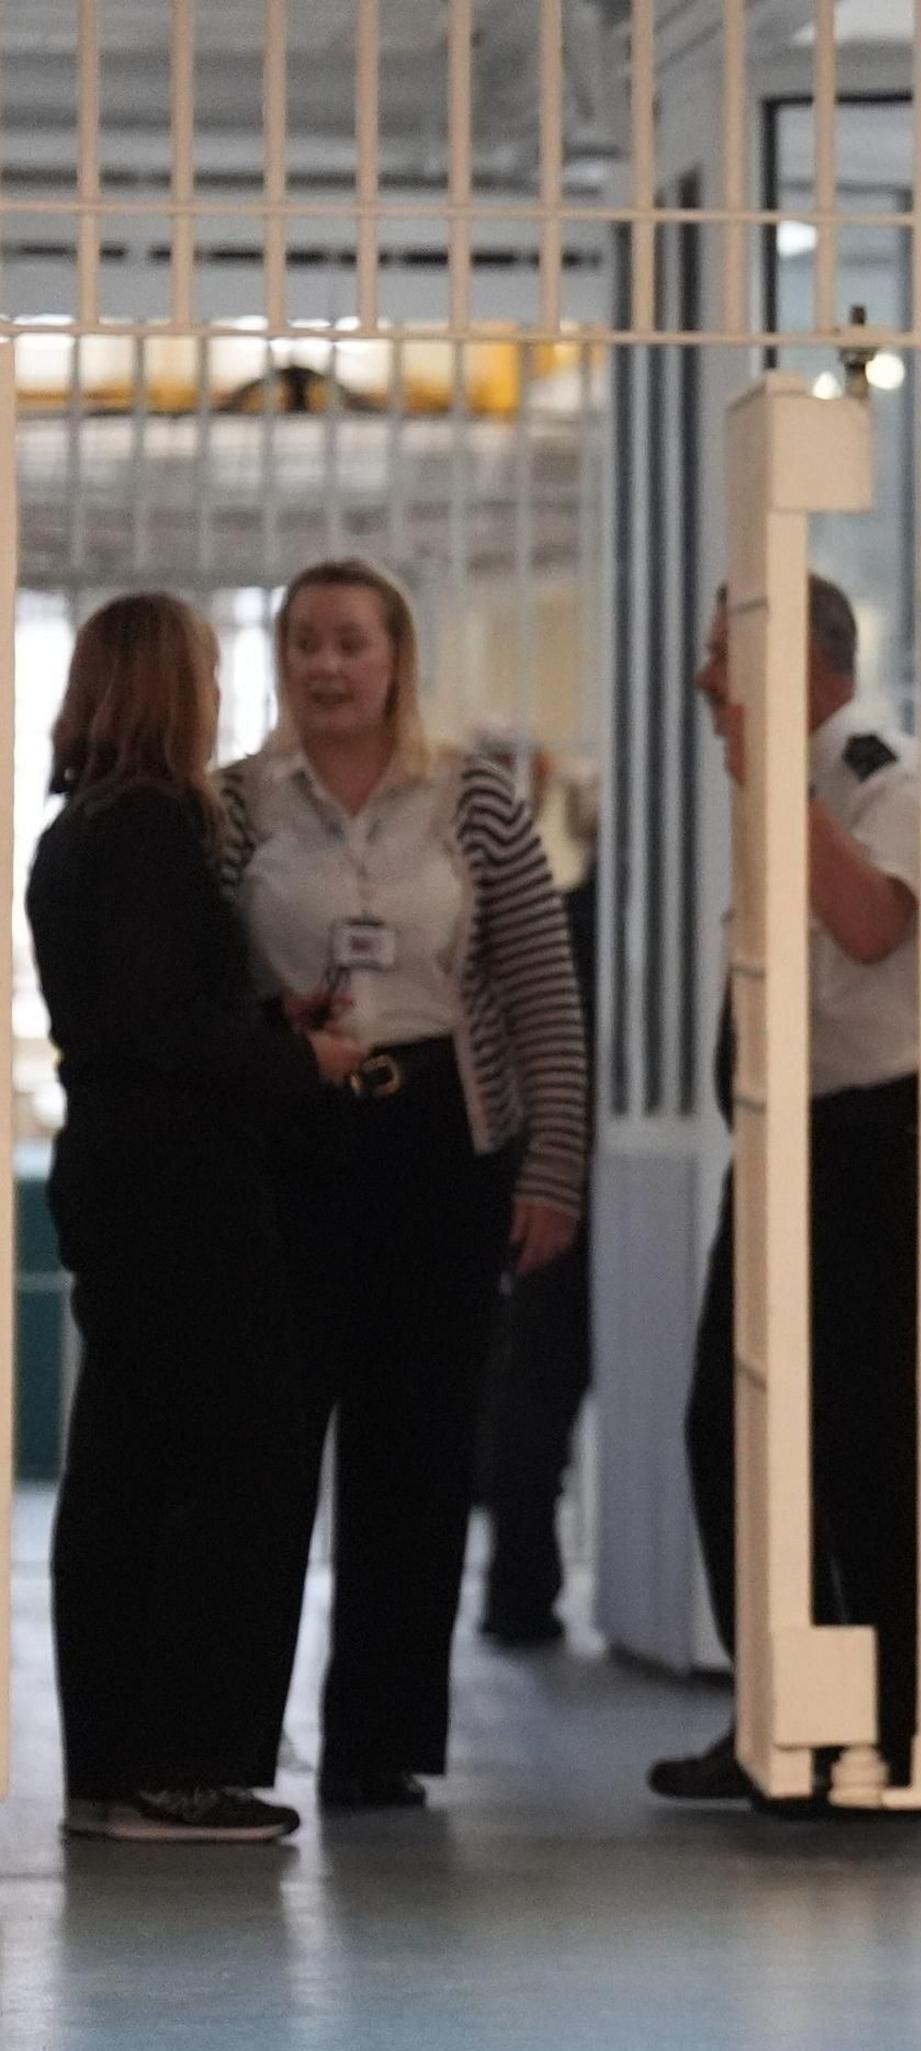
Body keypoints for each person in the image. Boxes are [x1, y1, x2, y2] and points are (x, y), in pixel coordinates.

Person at [221, 559, 588, 1813]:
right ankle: (228, 1743)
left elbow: (542, 995)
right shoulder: (234, 807)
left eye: (351, 644)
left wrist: (554, 1166)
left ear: (397, 659)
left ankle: (380, 1745)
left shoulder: (473, 799)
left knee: (420, 1448)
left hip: (443, 1137)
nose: (326, 666)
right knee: (267, 1446)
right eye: (305, 642)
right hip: (289, 1134)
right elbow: (207, 990)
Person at [648, 576, 921, 1814]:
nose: (702, 685)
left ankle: (889, 1751)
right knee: (735, 1429)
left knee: (871, 1442)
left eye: (719, 655)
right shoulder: (796, 784)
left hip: (877, 1139)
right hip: (789, 1136)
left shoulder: (879, 777)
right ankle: (785, 1727)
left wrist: (781, 789)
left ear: (799, 661)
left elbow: (864, 927)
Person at [32, 594, 365, 1843]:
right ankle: (185, 1765)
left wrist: (262, 1027)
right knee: (237, 1462)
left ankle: (112, 1768)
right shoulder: (162, 828)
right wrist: (301, 1064)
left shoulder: (75, 831)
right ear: (180, 686)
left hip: (116, 1176)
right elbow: (167, 1033)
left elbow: (128, 1014)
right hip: (184, 1188)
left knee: (126, 1469)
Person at [474, 755, 599, 1647]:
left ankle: (520, 1591)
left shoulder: (568, 916)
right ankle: (521, 1589)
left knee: (534, 1394)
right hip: (576, 1175)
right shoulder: (647, 927)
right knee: (536, 1393)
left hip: (557, 1171)